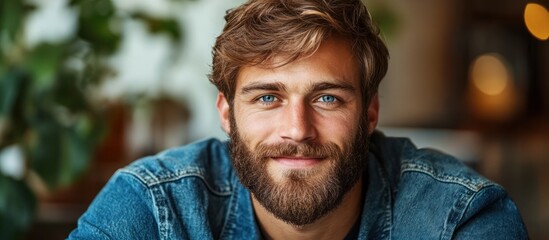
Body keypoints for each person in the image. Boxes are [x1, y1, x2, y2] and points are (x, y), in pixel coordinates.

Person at [69, 0, 528, 239]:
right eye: (267, 97)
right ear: (227, 115)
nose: (297, 129)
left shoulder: (460, 220)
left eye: (327, 98)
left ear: (370, 113)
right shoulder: (152, 209)